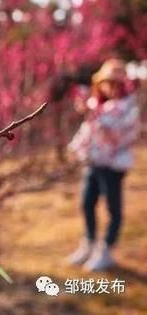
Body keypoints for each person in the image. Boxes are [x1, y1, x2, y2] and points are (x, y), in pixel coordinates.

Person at [67, 59, 140, 271]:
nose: (112, 88)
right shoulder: (95, 105)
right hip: (93, 161)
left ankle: (106, 249)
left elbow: (120, 134)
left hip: (113, 164)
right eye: (108, 83)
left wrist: (98, 121)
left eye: (117, 84)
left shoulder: (128, 108)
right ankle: (88, 243)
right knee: (86, 202)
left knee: (113, 208)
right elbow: (87, 131)